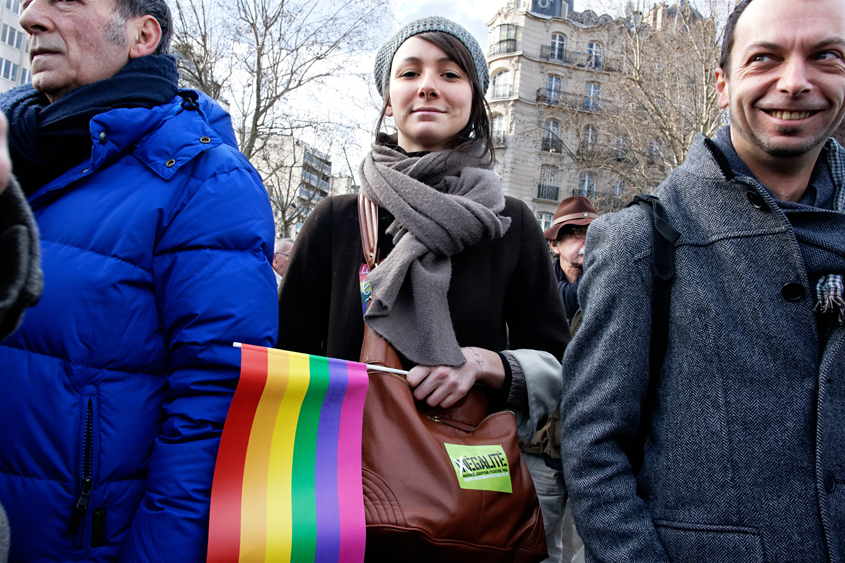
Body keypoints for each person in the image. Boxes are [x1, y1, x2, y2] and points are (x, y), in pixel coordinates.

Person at [560, 0, 845, 560]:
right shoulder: (642, 239)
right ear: (722, 83)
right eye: (765, 58)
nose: (794, 82)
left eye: (825, 56)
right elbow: (593, 453)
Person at [0, 0, 278, 561]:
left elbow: (215, 406)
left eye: (65, 0)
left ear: (142, 34)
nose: (30, 16)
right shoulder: (9, 157)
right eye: (29, 0)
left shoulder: (206, 179)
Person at [278, 14, 568, 459]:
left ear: (474, 98)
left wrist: (483, 364)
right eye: (410, 72)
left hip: (467, 494)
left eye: (450, 73)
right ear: (389, 101)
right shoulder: (335, 222)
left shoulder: (511, 223)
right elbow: (284, 363)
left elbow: (560, 365)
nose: (428, 85)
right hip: (339, 486)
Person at [521, 196, 597, 563]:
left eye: (591, 232)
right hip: (542, 446)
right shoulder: (530, 291)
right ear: (555, 243)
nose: (584, 240)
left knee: (600, 548)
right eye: (574, 234)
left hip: (599, 449)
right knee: (538, 544)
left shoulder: (616, 288)